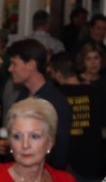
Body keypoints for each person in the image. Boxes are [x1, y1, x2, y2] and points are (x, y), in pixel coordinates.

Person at [51, 51, 106, 182]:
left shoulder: (54, 96)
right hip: (92, 164)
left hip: (63, 164)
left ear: (58, 74)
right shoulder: (96, 93)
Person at [5, 38, 73, 170]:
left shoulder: (55, 102)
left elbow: (60, 152)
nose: (10, 69)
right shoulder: (23, 96)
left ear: (31, 64)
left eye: (14, 64)